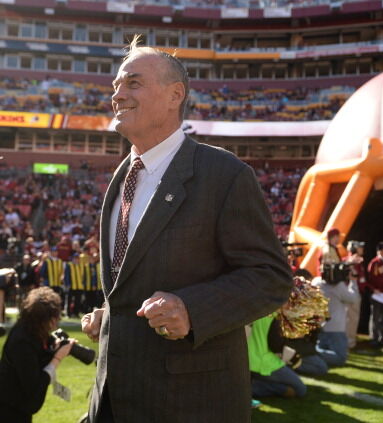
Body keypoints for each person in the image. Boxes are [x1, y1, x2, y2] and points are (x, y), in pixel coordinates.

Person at [81, 36, 292, 422]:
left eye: (133, 83)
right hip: (112, 400)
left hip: (188, 403)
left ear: (175, 94)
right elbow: (133, 284)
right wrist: (110, 314)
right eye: (115, 86)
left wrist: (192, 309)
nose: (117, 95)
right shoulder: (120, 178)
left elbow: (272, 278)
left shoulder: (224, 175)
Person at [0, 287, 74, 423]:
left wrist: (54, 346)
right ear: (48, 319)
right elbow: (34, 386)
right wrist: (57, 358)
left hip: (15, 406)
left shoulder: (29, 329)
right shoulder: (22, 342)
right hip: (9, 409)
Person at [248, 314, 307, 399]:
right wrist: (294, 357)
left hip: (247, 362)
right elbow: (276, 345)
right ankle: (249, 388)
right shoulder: (272, 314)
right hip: (262, 364)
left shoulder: (246, 310)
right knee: (300, 390)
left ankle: (248, 385)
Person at [345, 240, 367, 348]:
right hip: (349, 293)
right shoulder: (348, 260)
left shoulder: (359, 262)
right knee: (350, 318)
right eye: (359, 247)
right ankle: (348, 342)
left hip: (356, 292)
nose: (362, 249)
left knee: (353, 319)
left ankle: (351, 341)